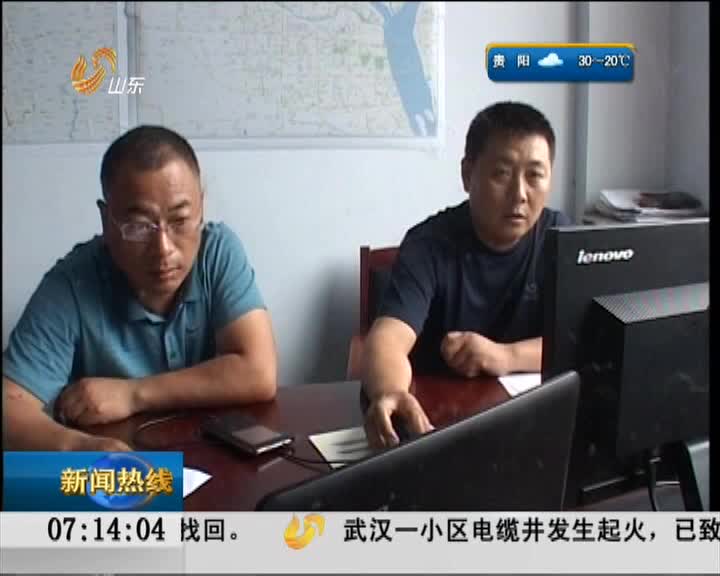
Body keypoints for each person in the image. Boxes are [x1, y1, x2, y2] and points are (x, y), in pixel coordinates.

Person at [3, 125, 278, 451]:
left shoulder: (216, 251)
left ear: (201, 208)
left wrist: (132, 394)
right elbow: (10, 406)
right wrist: (78, 448)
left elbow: (258, 372)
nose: (164, 250)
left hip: (208, 455)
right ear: (106, 219)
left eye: (180, 221)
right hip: (119, 465)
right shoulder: (73, 283)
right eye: (139, 227)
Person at [361, 101, 571, 447]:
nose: (519, 194)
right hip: (436, 428)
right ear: (467, 174)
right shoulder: (428, 245)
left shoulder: (561, 238)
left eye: (535, 175)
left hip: (528, 426)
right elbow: (388, 338)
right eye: (501, 173)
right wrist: (391, 392)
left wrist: (504, 356)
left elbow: (580, 340)